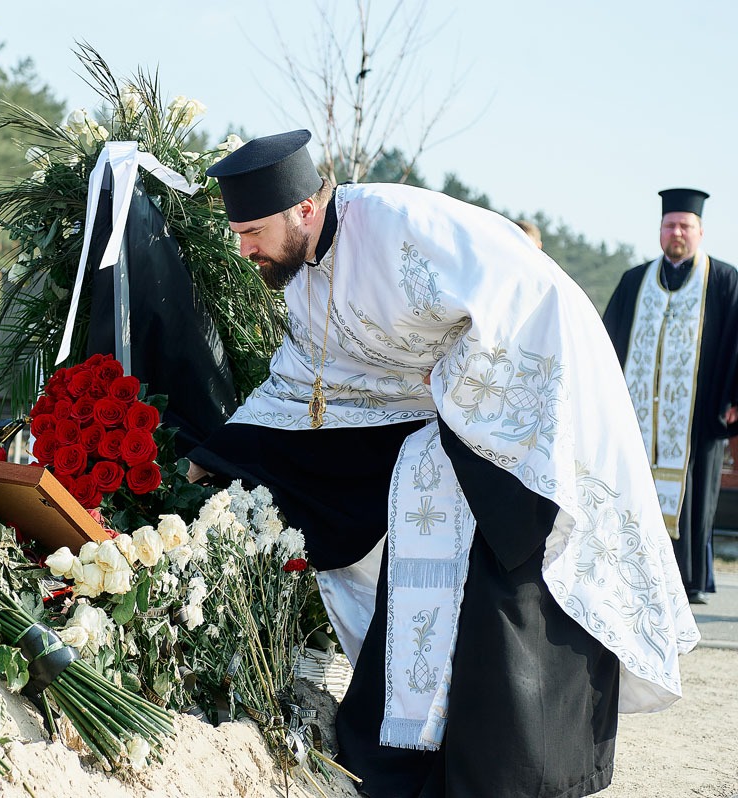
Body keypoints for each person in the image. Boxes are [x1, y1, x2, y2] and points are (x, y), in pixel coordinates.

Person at [188, 130, 699, 798]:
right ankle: (412, 759)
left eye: (252, 231)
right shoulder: (305, 279)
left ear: (304, 211)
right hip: (454, 429)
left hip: (536, 398)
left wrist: (452, 393)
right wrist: (221, 453)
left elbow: (525, 302)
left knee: (509, 581)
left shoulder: (404, 224)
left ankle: (519, 776)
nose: (245, 248)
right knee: (424, 530)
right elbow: (305, 389)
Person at [602, 189, 738, 605]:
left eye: (684, 226)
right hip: (640, 416)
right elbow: (607, 340)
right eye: (669, 225)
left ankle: (691, 580)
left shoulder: (723, 279)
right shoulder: (634, 281)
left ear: (700, 231)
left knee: (696, 498)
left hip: (699, 415)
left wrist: (733, 398)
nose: (676, 232)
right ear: (659, 230)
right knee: (635, 488)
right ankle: (637, 569)